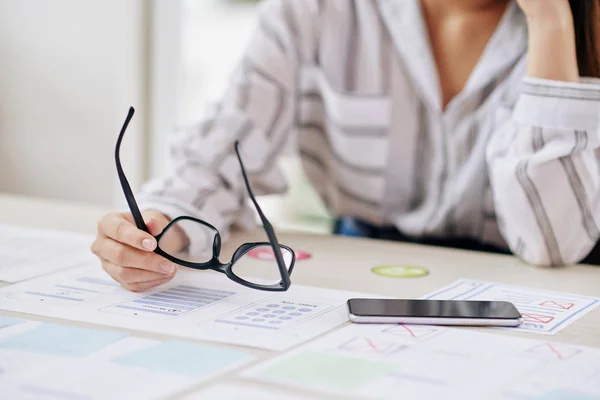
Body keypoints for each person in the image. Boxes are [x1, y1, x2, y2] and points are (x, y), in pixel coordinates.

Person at [91, 0, 600, 292]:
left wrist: (552, 20)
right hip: (363, 277)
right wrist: (161, 231)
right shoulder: (317, 9)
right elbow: (222, 153)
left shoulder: (577, 21)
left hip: (529, 290)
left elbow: (552, 246)